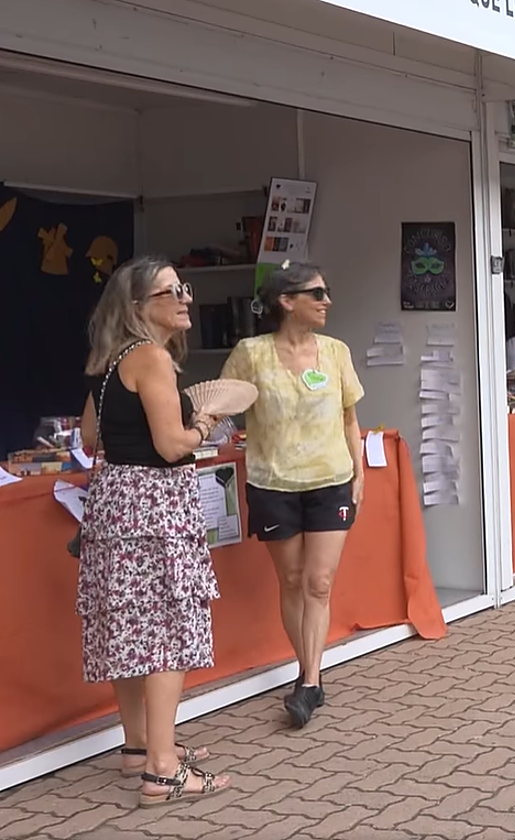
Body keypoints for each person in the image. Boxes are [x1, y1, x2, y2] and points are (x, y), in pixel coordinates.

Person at [78, 255, 230, 805]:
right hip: (155, 505)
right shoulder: (154, 358)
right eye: (172, 291)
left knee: (128, 625)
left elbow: (91, 439)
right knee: (167, 631)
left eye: (184, 287)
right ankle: (163, 770)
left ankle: (138, 747)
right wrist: (202, 426)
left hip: (114, 503)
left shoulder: (110, 358)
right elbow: (171, 446)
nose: (185, 297)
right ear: (139, 306)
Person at [221, 262, 365, 729]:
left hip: (330, 479)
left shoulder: (337, 352)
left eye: (327, 292)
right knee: (291, 580)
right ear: (286, 301)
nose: (327, 301)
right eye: (317, 293)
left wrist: (359, 472)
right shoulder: (250, 353)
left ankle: (308, 680)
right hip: (272, 482)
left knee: (319, 583)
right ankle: (311, 675)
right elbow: (222, 406)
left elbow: (349, 418)